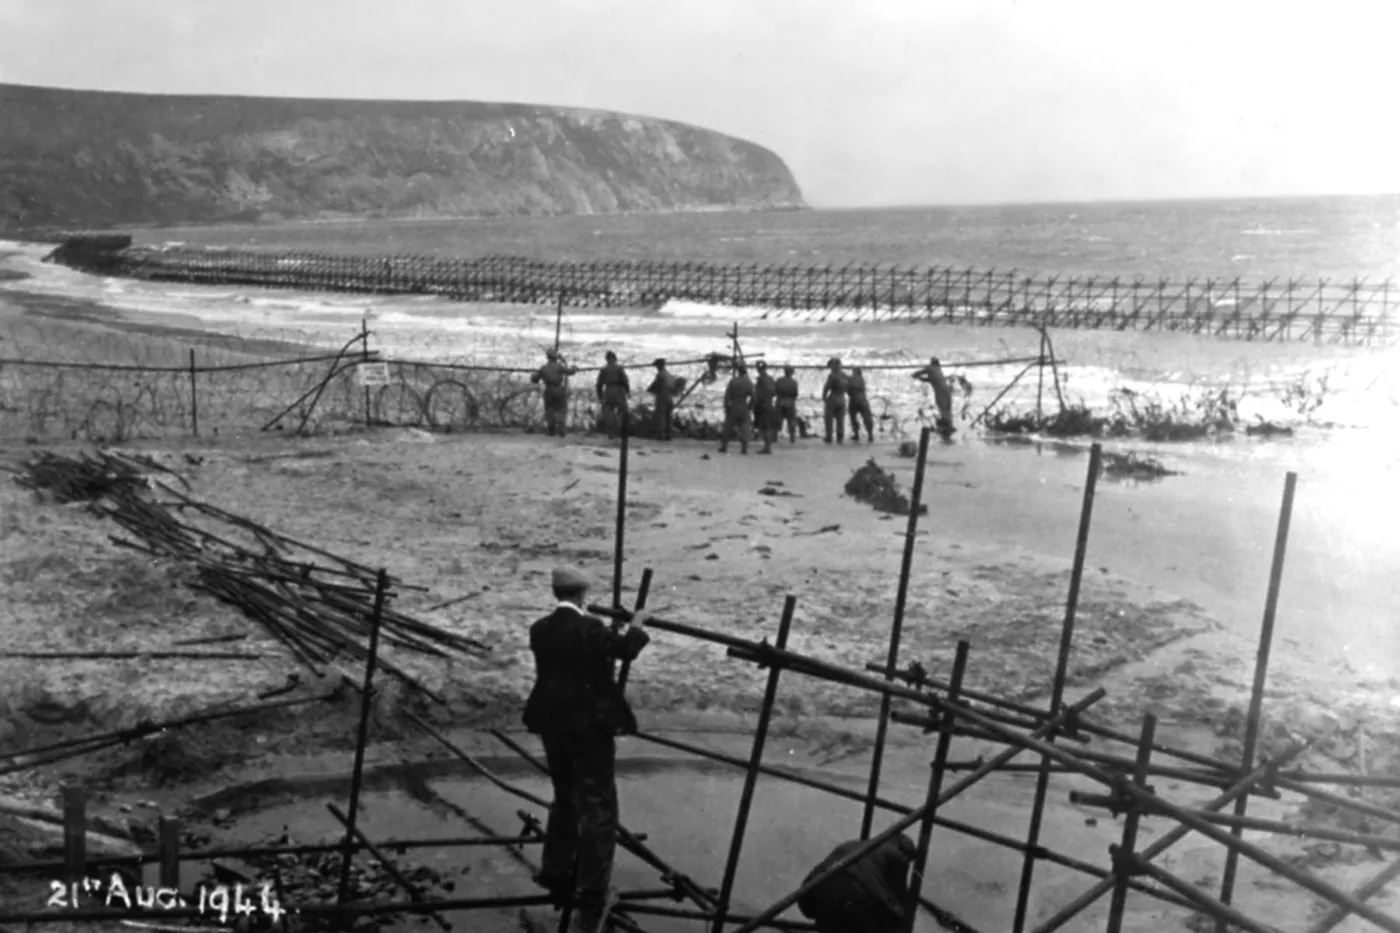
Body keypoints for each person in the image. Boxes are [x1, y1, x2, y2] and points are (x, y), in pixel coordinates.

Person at [524, 568, 652, 933]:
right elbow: (626, 650)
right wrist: (638, 623)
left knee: (565, 796)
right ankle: (592, 887)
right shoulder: (590, 628)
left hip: (552, 722)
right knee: (598, 804)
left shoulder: (540, 628)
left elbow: (586, 651)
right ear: (582, 595)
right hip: (588, 727)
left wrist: (607, 629)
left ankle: (555, 870)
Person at [797, 834, 920, 933]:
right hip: (854, 891)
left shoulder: (853, 844)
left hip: (814, 891)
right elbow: (899, 899)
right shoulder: (896, 855)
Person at [531, 349, 579, 437]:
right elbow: (570, 372)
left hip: (548, 390)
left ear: (547, 357)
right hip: (559, 389)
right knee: (562, 409)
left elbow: (535, 380)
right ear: (556, 358)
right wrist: (573, 368)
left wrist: (534, 375)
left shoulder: (543, 368)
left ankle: (551, 430)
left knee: (549, 409)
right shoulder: (559, 366)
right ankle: (561, 428)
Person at [911, 356, 955, 436]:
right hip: (947, 391)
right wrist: (921, 379)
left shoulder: (929, 368)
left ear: (931, 363)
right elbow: (933, 379)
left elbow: (918, 373)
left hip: (940, 392)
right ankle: (948, 426)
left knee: (942, 408)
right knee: (947, 409)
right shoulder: (938, 370)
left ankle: (945, 427)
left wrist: (914, 375)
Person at [719, 364, 754, 455]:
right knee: (744, 428)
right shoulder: (749, 382)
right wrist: (750, 406)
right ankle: (744, 447)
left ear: (738, 372)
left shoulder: (733, 381)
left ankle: (724, 446)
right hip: (744, 406)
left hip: (733, 406)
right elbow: (754, 396)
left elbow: (727, 396)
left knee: (728, 427)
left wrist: (726, 407)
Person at [595, 351, 631, 438]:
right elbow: (625, 381)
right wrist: (628, 392)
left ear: (606, 359)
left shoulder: (604, 369)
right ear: (615, 358)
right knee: (623, 411)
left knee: (608, 411)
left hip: (608, 390)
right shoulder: (619, 368)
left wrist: (600, 396)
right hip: (619, 390)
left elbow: (599, 384)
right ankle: (622, 431)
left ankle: (612, 433)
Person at [752, 360, 779, 455]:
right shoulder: (770, 379)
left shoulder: (761, 380)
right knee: (767, 426)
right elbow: (775, 392)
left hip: (763, 405)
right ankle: (767, 446)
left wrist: (755, 403)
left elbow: (758, 394)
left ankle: (767, 447)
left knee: (764, 427)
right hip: (769, 404)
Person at [646, 358, 675, 440]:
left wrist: (649, 390)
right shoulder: (669, 374)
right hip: (669, 398)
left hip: (662, 398)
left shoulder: (660, 375)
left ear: (659, 366)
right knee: (668, 416)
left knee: (661, 416)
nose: (656, 368)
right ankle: (668, 435)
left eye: (656, 366)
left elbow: (656, 386)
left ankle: (661, 434)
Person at [822, 358, 849, 445]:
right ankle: (840, 437)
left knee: (829, 418)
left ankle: (829, 437)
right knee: (840, 419)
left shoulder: (832, 376)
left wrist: (824, 397)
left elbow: (827, 387)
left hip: (833, 398)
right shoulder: (845, 375)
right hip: (842, 399)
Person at [847, 366, 874, 444]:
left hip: (854, 400)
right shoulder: (862, 379)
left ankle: (856, 434)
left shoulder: (851, 379)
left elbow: (848, 390)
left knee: (853, 417)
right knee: (867, 417)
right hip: (863, 400)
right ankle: (870, 435)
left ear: (854, 372)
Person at [775, 365, 801, 443]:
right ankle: (792, 437)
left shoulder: (779, 380)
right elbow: (795, 393)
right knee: (791, 420)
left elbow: (775, 390)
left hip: (780, 401)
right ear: (791, 373)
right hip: (790, 402)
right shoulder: (793, 382)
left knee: (778, 420)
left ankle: (774, 436)